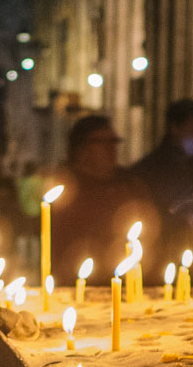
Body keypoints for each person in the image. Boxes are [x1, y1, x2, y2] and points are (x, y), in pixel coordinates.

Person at [46, 114, 160, 285]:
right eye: (102, 142)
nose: (110, 148)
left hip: (129, 281)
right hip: (80, 281)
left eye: (114, 142)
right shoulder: (65, 189)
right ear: (82, 148)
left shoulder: (130, 184)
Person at [132, 98, 193, 259]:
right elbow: (147, 213)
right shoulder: (151, 169)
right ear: (175, 128)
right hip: (164, 251)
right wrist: (182, 218)